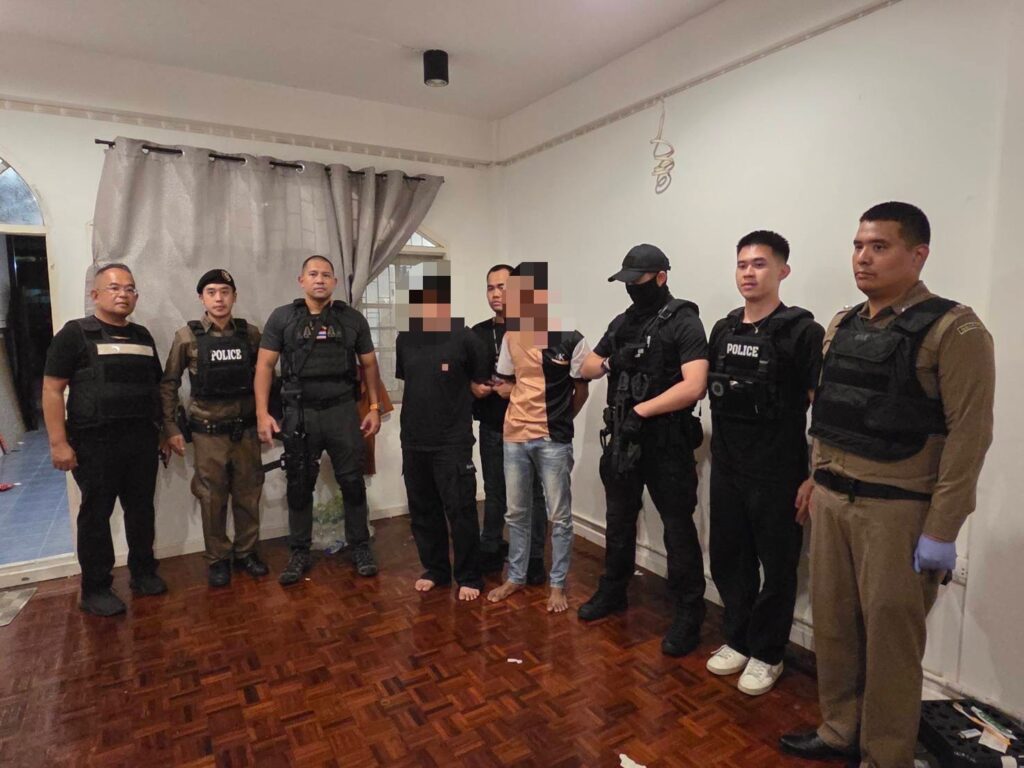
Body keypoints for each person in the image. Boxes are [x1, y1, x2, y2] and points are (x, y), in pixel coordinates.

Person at [780, 203, 995, 767]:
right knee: (834, 630)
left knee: (892, 647)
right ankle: (839, 730)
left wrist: (942, 529)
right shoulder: (842, 323)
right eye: (858, 245)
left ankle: (885, 755)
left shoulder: (955, 329)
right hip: (832, 501)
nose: (863, 257)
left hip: (898, 514)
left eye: (879, 246)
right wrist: (814, 477)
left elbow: (970, 437)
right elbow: (830, 410)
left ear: (918, 255)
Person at [705, 231, 824, 695]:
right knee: (728, 557)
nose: (748, 273)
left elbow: (821, 407)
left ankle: (769, 653)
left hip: (778, 471)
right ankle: (737, 638)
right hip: (728, 467)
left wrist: (815, 475)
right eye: (742, 265)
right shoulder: (723, 329)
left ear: (782, 271)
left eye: (759, 264)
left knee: (777, 566)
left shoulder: (803, 332)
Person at [577, 244, 708, 656]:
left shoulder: (684, 320)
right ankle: (613, 590)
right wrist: (612, 362)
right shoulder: (623, 322)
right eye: (627, 281)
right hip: (624, 441)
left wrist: (642, 410)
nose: (632, 287)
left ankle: (689, 612)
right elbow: (586, 366)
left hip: (666, 442)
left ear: (661, 277)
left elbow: (694, 385)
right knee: (618, 522)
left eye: (639, 280)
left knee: (677, 529)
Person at [42, 263, 166, 616]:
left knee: (141, 510)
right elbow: (52, 389)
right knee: (96, 515)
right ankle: (95, 588)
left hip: (141, 440)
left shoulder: (142, 336)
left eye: (129, 288)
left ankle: (143, 572)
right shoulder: (75, 334)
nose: (123, 294)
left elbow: (155, 388)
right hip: (95, 442)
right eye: (114, 288)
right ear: (95, 294)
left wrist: (163, 432)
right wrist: (58, 443)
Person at [254, 255, 383, 585]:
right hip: (301, 414)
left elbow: (369, 364)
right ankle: (299, 551)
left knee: (352, 482)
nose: (320, 279)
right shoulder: (283, 318)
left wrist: (373, 407)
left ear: (335, 282)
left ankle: (360, 547)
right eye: (313, 274)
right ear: (301, 280)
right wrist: (262, 413)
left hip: (342, 411)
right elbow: (265, 366)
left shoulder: (351, 319)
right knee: (299, 484)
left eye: (326, 275)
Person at [487, 262, 590, 613]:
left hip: (552, 440)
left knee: (559, 516)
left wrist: (561, 420)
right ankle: (515, 576)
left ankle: (557, 585)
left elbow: (581, 390)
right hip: (514, 436)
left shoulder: (571, 338)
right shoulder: (511, 336)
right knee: (516, 512)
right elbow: (507, 381)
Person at [160, 269, 269, 587]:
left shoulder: (250, 334)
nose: (219, 298)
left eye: (225, 292)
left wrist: (267, 417)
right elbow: (169, 383)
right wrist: (171, 427)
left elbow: (267, 376)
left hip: (246, 431)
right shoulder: (187, 336)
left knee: (248, 494)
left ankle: (247, 552)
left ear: (234, 296)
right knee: (212, 498)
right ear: (201, 298)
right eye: (211, 292)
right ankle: (218, 558)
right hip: (208, 433)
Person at [396, 262, 491, 600]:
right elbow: (412, 381)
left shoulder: (466, 337)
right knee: (423, 511)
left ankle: (469, 575)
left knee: (461, 510)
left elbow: (481, 383)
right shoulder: (405, 338)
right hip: (413, 440)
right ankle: (435, 569)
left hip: (452, 441)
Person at [471, 264, 547, 583]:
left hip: (529, 426)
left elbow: (549, 380)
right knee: (494, 490)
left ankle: (534, 557)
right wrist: (473, 387)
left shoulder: (537, 330)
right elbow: (464, 373)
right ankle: (491, 546)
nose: (496, 293)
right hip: (492, 424)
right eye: (490, 287)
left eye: (503, 286)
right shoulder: (476, 333)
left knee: (533, 494)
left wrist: (512, 389)